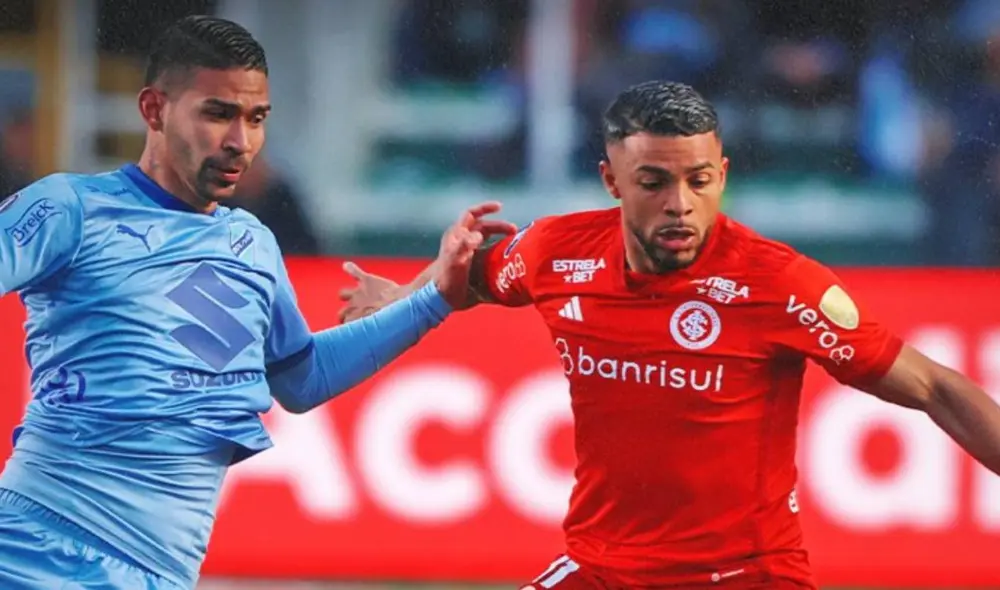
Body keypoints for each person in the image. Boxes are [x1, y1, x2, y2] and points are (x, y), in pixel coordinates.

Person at [339, 80, 1000, 589]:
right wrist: (404, 295)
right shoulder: (557, 253)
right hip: (603, 569)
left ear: (723, 176)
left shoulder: (778, 284)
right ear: (612, 180)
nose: (680, 203)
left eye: (699, 181)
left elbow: (935, 388)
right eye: (653, 182)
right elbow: (474, 269)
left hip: (746, 575)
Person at [0, 15, 514, 590]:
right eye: (217, 113)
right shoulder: (70, 208)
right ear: (153, 110)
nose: (239, 141)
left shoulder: (252, 244)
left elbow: (300, 378)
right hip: (37, 551)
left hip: (158, 574)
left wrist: (434, 298)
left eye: (256, 118)